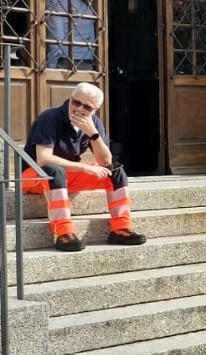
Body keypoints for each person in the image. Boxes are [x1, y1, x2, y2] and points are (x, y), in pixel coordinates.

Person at [21, 82, 147, 251]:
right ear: (70, 99)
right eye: (75, 102)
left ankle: (120, 228)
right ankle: (64, 233)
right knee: (55, 170)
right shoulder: (49, 117)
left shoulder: (94, 122)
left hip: (65, 176)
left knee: (115, 171)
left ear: (96, 108)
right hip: (34, 175)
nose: (79, 109)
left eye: (86, 107)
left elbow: (106, 161)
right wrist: (83, 168)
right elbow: (43, 159)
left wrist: (93, 134)